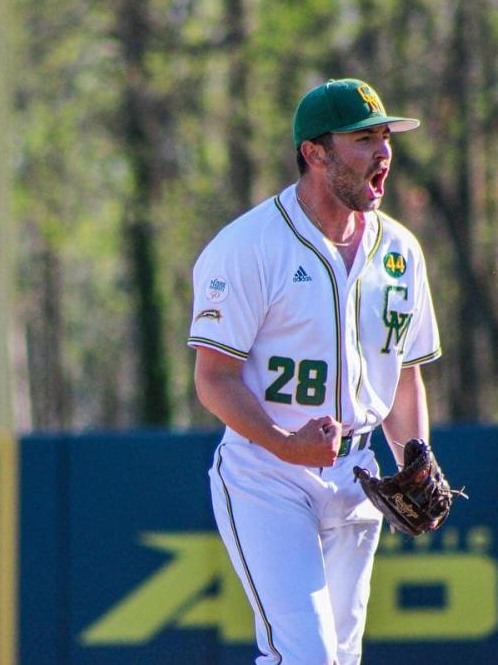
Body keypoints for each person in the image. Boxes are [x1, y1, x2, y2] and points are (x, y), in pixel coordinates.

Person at [187, 78, 441, 664]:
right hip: (267, 473)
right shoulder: (249, 245)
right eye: (363, 138)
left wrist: (416, 454)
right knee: (305, 657)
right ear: (315, 152)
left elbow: (403, 375)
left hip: (357, 474)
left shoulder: (400, 252)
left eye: (385, 137)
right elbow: (213, 378)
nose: (383, 152)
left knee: (340, 660)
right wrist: (284, 443)